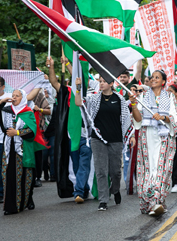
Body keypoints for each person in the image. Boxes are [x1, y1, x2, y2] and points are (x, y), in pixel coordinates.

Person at [75, 75, 133, 211]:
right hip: (98, 138)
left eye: (104, 81)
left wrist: (129, 136)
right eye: (100, 81)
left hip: (115, 139)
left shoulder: (119, 100)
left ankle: (116, 189)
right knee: (101, 170)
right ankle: (103, 200)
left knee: (115, 171)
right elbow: (79, 103)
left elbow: (125, 120)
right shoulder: (94, 98)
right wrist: (78, 88)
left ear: (112, 83)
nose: (101, 84)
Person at [131, 70, 177, 216]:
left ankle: (156, 201)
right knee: (148, 169)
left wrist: (163, 117)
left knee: (161, 169)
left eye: (157, 77)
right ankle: (152, 202)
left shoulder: (170, 96)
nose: (153, 79)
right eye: (152, 77)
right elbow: (138, 119)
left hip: (164, 137)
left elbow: (175, 118)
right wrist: (134, 104)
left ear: (163, 82)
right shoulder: (143, 96)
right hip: (147, 137)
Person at [46, 57, 93, 203]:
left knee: (84, 164)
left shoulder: (89, 94)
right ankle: (83, 189)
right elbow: (54, 82)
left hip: (86, 136)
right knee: (77, 165)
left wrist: (68, 63)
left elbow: (80, 78)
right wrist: (51, 67)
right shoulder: (67, 92)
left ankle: (78, 192)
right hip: (71, 136)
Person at [0, 89, 41, 215]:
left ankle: (25, 201)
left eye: (17, 95)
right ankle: (11, 206)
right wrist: (2, 101)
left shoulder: (28, 112)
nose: (14, 97)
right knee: (9, 177)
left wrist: (17, 132)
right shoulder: (6, 111)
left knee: (24, 176)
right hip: (7, 148)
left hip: (22, 148)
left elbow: (32, 130)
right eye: (12, 96)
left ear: (23, 98)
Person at [32, 90, 51, 188]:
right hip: (22, 130)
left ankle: (38, 177)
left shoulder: (39, 95)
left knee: (39, 155)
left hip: (38, 130)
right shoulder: (19, 93)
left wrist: (39, 109)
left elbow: (48, 110)